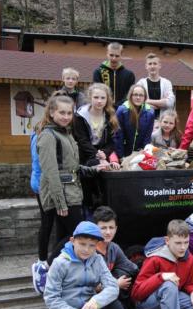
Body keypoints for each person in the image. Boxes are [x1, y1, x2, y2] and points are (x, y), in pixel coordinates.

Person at [31, 95, 84, 294]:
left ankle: (55, 273)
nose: (66, 116)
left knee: (63, 235)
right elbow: (50, 172)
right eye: (62, 112)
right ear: (52, 112)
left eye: (69, 113)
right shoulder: (47, 135)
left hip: (71, 190)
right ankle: (44, 267)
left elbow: (70, 165)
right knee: (76, 234)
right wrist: (60, 202)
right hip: (61, 193)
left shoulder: (65, 132)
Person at [73, 83, 120, 215]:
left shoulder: (110, 115)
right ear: (90, 98)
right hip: (85, 156)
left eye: (103, 98)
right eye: (96, 97)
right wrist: (97, 156)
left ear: (107, 99)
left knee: (103, 188)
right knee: (87, 189)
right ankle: (88, 213)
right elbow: (82, 140)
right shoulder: (80, 116)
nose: (99, 101)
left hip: (102, 155)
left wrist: (104, 153)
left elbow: (111, 142)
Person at [30, 125, 65, 275]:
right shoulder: (43, 136)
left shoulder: (38, 134)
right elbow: (43, 164)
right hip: (43, 185)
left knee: (50, 223)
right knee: (48, 222)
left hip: (41, 183)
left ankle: (47, 258)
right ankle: (43, 260)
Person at [114, 84, 155, 158]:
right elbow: (118, 136)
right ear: (131, 96)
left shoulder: (150, 112)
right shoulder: (122, 110)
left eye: (141, 95)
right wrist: (120, 156)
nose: (138, 97)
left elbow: (147, 137)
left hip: (140, 153)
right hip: (124, 152)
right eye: (135, 94)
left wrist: (144, 154)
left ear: (145, 97)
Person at [93, 42, 135, 108]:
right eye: (111, 55)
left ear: (121, 55)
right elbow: (97, 92)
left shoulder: (129, 75)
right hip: (103, 109)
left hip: (123, 109)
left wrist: (119, 106)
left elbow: (129, 94)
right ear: (107, 54)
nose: (114, 58)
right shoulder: (98, 72)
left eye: (117, 56)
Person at [137, 53, 175, 121]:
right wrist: (162, 103)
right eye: (150, 64)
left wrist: (147, 101)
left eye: (155, 64)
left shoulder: (166, 83)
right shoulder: (141, 83)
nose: (152, 66)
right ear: (146, 66)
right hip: (144, 120)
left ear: (159, 65)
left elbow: (170, 102)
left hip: (162, 122)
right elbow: (136, 101)